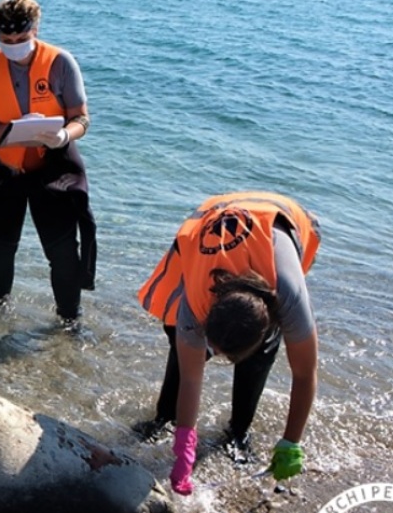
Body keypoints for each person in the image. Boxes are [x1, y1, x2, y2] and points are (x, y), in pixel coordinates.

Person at [134, 191, 321, 494]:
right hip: (213, 215)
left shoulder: (289, 296)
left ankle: (237, 433)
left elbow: (305, 373)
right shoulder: (195, 299)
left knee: (257, 359)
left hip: (277, 221)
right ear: (209, 312)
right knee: (182, 352)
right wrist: (184, 450)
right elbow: (192, 378)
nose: (214, 355)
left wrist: (291, 443)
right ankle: (163, 417)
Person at [0, 0, 96, 329]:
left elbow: (82, 118)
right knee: (1, 249)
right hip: (4, 170)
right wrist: (10, 130)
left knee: (63, 253)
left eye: (21, 38)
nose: (14, 44)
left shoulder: (61, 63)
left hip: (52, 172)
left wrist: (63, 135)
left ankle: (69, 323)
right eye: (6, 39)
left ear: (35, 29)